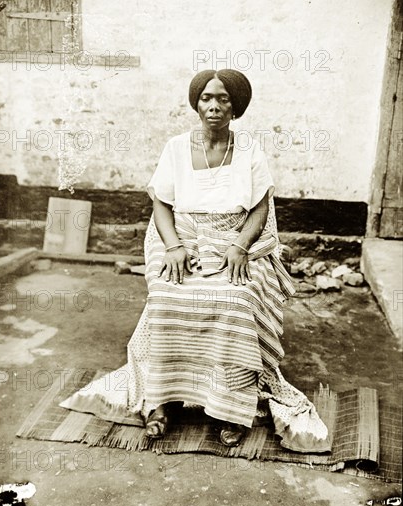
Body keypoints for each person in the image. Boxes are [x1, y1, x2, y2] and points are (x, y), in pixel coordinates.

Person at [60, 69, 329, 452]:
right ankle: (163, 400)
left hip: (235, 239)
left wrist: (239, 246)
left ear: (236, 106)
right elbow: (162, 205)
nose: (214, 106)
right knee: (169, 296)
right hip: (179, 237)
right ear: (196, 103)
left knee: (235, 300)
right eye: (206, 98)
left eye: (223, 99)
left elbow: (259, 208)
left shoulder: (249, 149)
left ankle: (230, 408)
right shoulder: (175, 147)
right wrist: (173, 247)